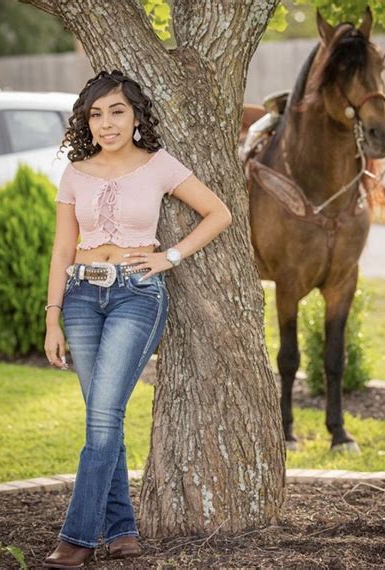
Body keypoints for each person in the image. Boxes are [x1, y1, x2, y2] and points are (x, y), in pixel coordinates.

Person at [43, 69, 232, 568]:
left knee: (103, 416)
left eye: (117, 111)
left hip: (136, 295)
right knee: (104, 417)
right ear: (87, 120)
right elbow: (63, 246)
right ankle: (123, 532)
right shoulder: (75, 172)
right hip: (81, 295)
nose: (106, 123)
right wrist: (52, 316)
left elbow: (219, 213)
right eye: (97, 113)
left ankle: (78, 538)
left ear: (135, 116)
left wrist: (169, 256)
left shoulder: (159, 164)